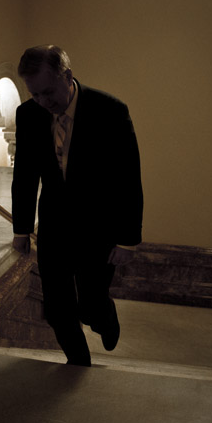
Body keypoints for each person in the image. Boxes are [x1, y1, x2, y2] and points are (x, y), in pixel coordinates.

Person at [11, 45, 143, 366]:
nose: (43, 102)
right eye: (35, 94)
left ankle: (105, 317)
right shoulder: (28, 115)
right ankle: (80, 367)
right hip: (54, 226)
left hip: (100, 228)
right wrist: (21, 229)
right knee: (57, 310)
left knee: (91, 305)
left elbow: (129, 177)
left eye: (48, 92)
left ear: (66, 76)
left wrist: (128, 240)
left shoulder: (110, 111)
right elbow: (25, 175)